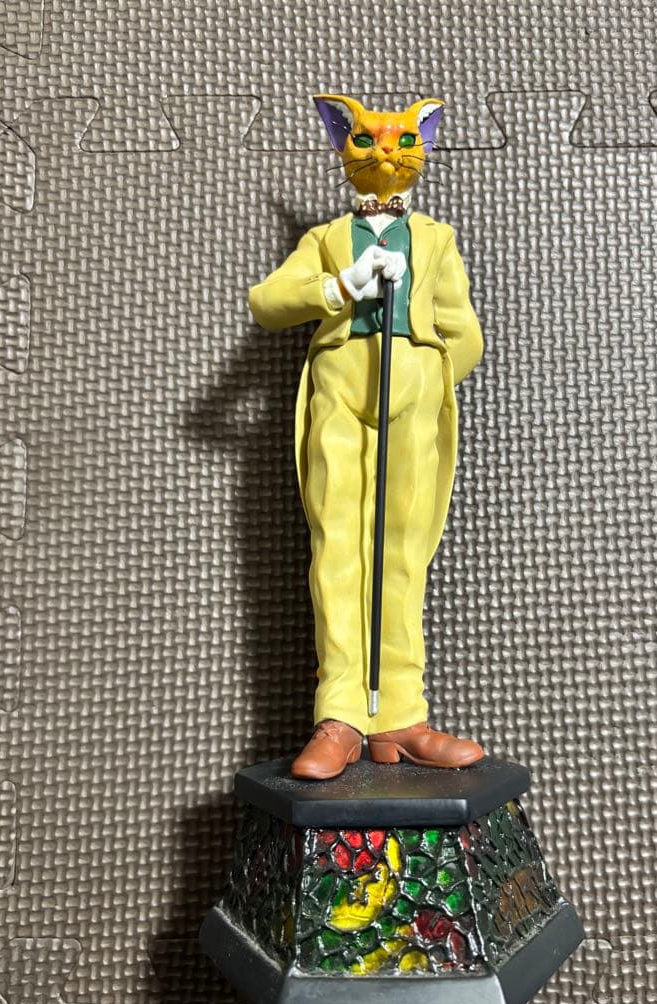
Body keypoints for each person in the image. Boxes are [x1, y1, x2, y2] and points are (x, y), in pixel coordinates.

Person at [249, 94, 485, 780]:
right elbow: (268, 302)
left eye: (403, 139)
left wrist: (427, 380)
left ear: (423, 147)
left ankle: (400, 715)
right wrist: (344, 285)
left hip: (412, 394)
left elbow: (465, 332)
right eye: (364, 139)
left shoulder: (435, 239)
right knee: (338, 548)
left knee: (404, 549)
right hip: (340, 390)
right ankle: (342, 715)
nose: (384, 150)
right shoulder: (326, 239)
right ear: (340, 144)